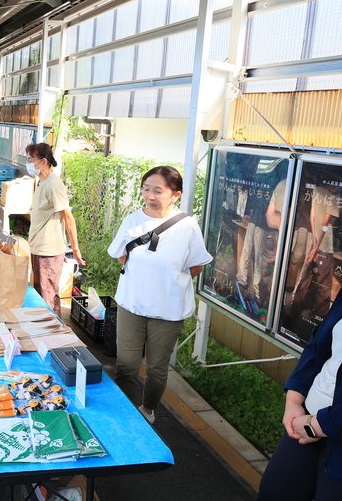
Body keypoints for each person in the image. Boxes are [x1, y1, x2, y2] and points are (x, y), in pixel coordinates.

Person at [107, 166, 211, 424]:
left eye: (158, 191)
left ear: (175, 194)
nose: (150, 196)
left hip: (168, 310)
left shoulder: (187, 226)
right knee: (127, 364)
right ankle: (124, 415)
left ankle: (148, 409)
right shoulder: (133, 220)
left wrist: (169, 284)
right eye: (146, 189)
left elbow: (197, 264)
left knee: (156, 367)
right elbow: (121, 254)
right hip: (132, 304)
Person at [257, 290, 342, 501]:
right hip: (308, 418)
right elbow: (320, 342)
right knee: (276, 490)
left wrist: (317, 425)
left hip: (327, 432)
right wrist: (294, 397)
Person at [25, 143, 85, 317]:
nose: (29, 163)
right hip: (39, 246)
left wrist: (75, 248)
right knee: (40, 292)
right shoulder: (41, 181)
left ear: (43, 161)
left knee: (47, 295)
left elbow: (68, 217)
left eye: (31, 160)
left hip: (49, 250)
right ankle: (44, 330)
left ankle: (54, 334)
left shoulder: (53, 184)